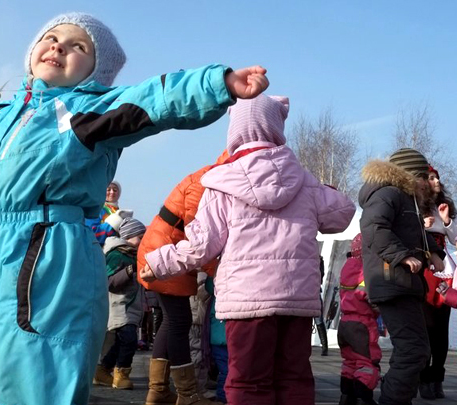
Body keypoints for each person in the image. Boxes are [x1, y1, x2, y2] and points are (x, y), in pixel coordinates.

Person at [0, 11, 269, 405]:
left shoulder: (86, 112)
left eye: (78, 46)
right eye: (52, 37)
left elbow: (156, 98)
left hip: (48, 253)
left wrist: (218, 83)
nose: (58, 46)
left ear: (97, 72)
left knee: (38, 371)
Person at [141, 94, 355, 405]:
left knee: (247, 381)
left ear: (235, 130)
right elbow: (343, 214)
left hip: (247, 301)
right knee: (294, 376)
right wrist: (322, 189)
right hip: (296, 299)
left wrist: (160, 262)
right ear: (276, 127)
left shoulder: (220, 182)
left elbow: (201, 245)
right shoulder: (304, 181)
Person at [136, 150, 229, 405]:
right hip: (163, 252)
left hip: (161, 249)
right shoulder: (204, 184)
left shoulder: (206, 179)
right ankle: (187, 394)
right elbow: (201, 237)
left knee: (171, 321)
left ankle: (158, 391)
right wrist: (217, 272)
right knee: (179, 321)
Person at [358, 148, 446, 405]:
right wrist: (401, 256)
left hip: (403, 283)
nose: (428, 183)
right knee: (414, 351)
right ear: (410, 175)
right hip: (393, 281)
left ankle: (396, 398)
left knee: (414, 350)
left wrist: (435, 252)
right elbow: (374, 227)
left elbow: (415, 233)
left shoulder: (405, 199)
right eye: (424, 176)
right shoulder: (389, 193)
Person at [93, 217, 146, 390]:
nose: (142, 241)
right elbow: (109, 282)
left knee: (120, 343)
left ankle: (102, 371)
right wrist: (129, 271)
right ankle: (121, 374)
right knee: (129, 341)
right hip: (119, 306)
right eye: (140, 237)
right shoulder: (116, 254)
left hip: (130, 306)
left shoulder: (134, 255)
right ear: (128, 236)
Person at [418, 165, 455, 400]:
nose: (436, 181)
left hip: (443, 270)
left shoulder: (445, 206)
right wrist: (422, 226)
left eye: (437, 178)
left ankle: (437, 378)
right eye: (431, 178)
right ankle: (423, 378)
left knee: (441, 328)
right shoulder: (412, 206)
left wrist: (447, 221)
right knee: (425, 327)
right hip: (422, 268)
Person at [338, 234, 381, 405]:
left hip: (345, 322)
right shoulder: (368, 269)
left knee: (350, 360)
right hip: (363, 323)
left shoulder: (347, 266)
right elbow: (370, 295)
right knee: (367, 361)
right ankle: (364, 396)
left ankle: (346, 396)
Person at [205, 276, 228, 405]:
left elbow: (208, 286)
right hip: (227, 337)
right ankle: (223, 396)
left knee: (224, 370)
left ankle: (222, 396)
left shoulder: (215, 298)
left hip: (217, 338)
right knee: (228, 370)